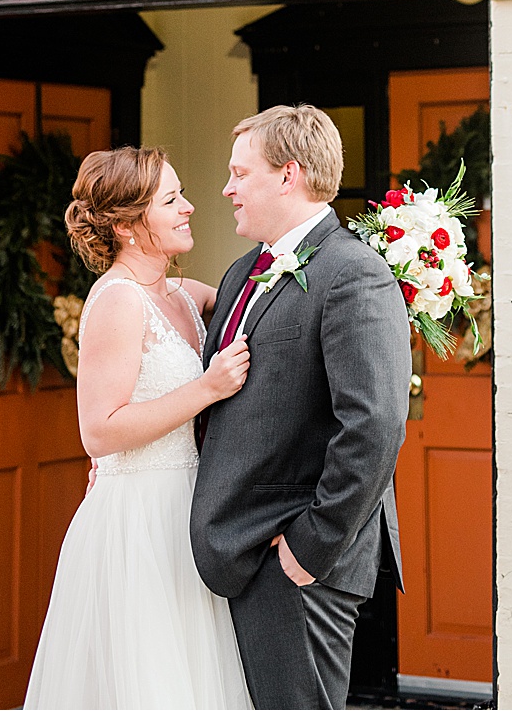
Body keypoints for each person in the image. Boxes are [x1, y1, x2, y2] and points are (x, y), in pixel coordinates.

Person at [190, 105, 412, 709]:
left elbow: (374, 424)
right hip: (239, 551)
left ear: (288, 175)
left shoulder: (353, 274)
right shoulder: (242, 273)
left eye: (241, 173)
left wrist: (308, 546)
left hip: (296, 563)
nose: (227, 188)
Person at [24, 147, 254, 709]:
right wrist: (207, 388)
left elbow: (258, 300)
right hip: (139, 520)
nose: (190, 207)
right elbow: (98, 432)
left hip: (190, 509)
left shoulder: (180, 294)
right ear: (127, 226)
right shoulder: (118, 303)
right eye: (172, 199)